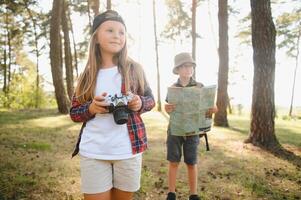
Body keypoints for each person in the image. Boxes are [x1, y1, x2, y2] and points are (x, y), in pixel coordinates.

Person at [70, 10, 155, 200]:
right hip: (93, 151)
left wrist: (139, 102)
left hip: (127, 151)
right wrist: (91, 108)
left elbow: (151, 100)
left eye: (122, 32)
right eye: (110, 30)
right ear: (96, 38)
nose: (117, 35)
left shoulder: (135, 70)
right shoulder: (87, 75)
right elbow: (74, 113)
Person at [164, 52, 217, 200]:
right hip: (175, 130)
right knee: (173, 161)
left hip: (193, 131)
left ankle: (193, 194)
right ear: (178, 69)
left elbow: (211, 106)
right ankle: (171, 193)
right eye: (185, 66)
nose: (189, 69)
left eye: (191, 66)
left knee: (191, 163)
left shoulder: (200, 87)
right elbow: (168, 107)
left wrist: (213, 109)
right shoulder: (173, 88)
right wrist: (167, 108)